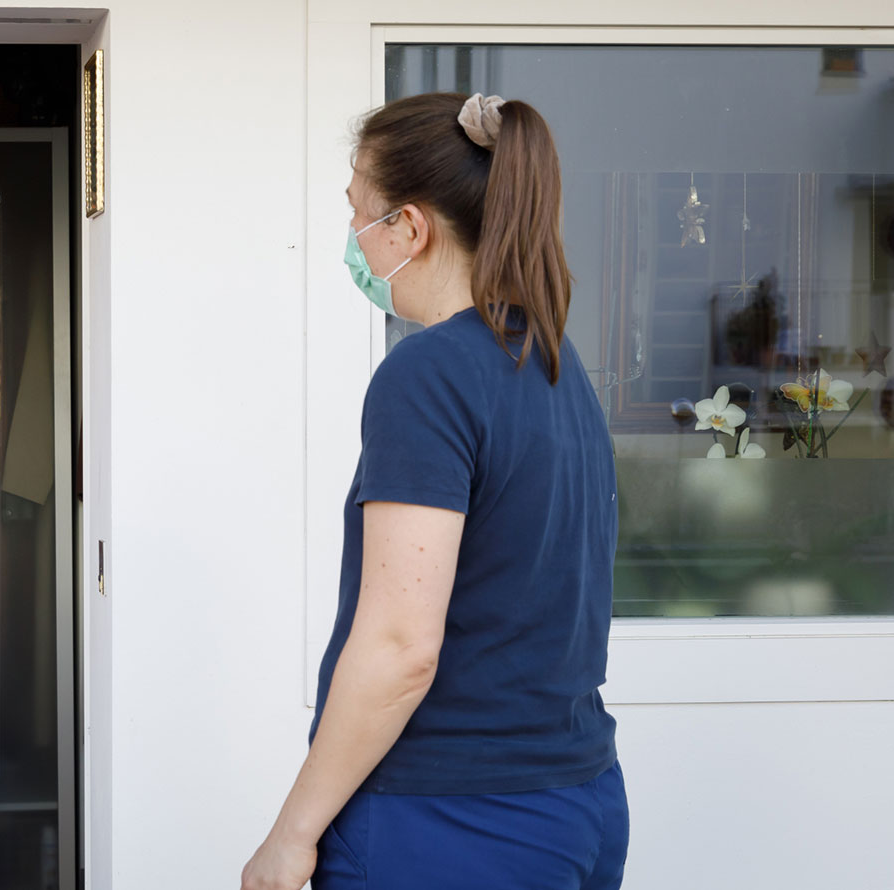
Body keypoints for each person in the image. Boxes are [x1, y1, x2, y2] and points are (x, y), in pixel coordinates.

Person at [241, 93, 626, 890]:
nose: (351, 241)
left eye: (358, 215)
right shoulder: (554, 363)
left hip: (452, 820)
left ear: (409, 229)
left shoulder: (427, 374)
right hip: (576, 800)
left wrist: (291, 834)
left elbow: (400, 648)